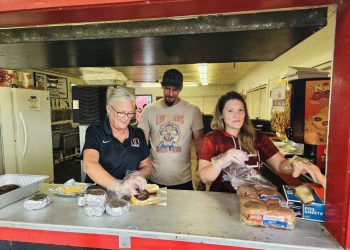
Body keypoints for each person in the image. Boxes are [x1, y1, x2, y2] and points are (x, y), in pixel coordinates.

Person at [198, 91, 326, 192]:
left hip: (254, 199)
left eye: (240, 110)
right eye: (230, 110)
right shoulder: (211, 139)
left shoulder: (258, 137)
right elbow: (204, 176)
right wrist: (221, 161)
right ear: (221, 115)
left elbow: (280, 164)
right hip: (221, 201)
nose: (236, 115)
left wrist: (294, 163)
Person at [138, 69, 204, 190]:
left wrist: (201, 171)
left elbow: (200, 143)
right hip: (154, 178)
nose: (171, 93)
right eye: (167, 88)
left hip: (183, 179)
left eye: (175, 90)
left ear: (180, 89)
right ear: (162, 86)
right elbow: (142, 145)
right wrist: (140, 173)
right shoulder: (149, 110)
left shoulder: (193, 110)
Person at [82, 86, 152, 197]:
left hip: (130, 195)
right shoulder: (96, 131)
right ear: (109, 109)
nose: (126, 118)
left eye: (130, 113)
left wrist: (137, 175)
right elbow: (89, 165)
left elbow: (147, 166)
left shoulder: (138, 134)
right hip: (99, 197)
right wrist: (118, 186)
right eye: (121, 113)